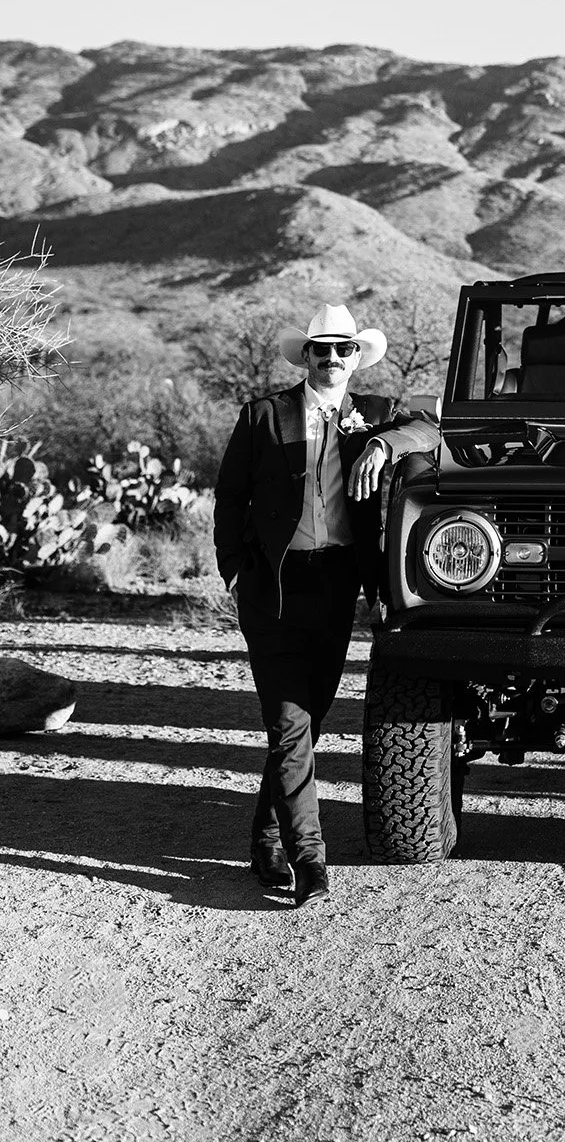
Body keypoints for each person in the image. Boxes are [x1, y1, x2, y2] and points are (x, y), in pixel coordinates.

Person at [214, 304, 435, 905]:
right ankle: (310, 858)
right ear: (305, 357)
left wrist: (385, 444)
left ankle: (265, 838)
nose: (331, 359)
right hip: (274, 587)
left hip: (339, 582)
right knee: (288, 722)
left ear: (357, 357)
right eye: (320, 350)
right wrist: (233, 569)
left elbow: (433, 431)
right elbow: (230, 496)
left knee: (304, 720)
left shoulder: (379, 415)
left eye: (343, 349)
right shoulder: (263, 415)